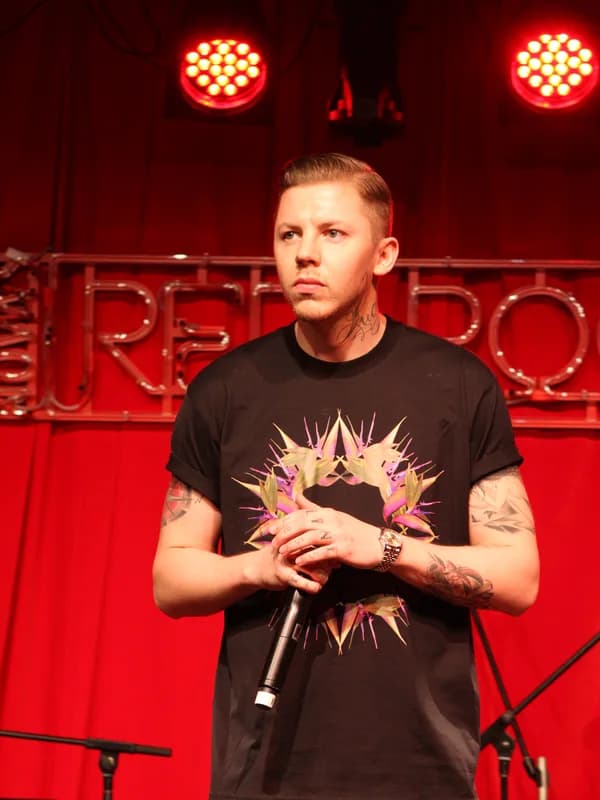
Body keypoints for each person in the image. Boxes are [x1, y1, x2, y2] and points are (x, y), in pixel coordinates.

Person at [153, 153, 539, 800]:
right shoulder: (224, 390)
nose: (305, 253)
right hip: (263, 768)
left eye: (332, 233)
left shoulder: (457, 384)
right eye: (289, 234)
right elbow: (171, 579)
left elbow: (519, 578)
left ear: (384, 255)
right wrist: (261, 566)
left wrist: (380, 546)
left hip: (418, 770)